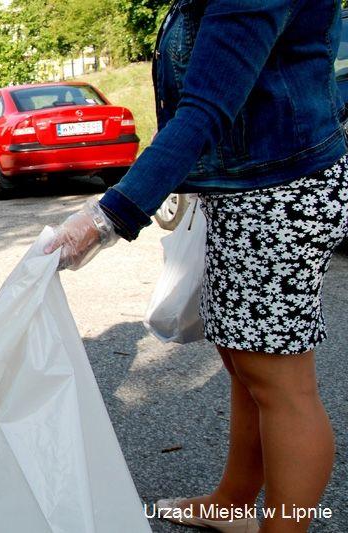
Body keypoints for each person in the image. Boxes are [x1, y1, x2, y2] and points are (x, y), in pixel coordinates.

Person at [47, 1, 346, 532]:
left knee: (281, 383)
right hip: (247, 187)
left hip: (281, 192)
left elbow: (206, 107)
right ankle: (231, 503)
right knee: (243, 362)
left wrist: (107, 215)